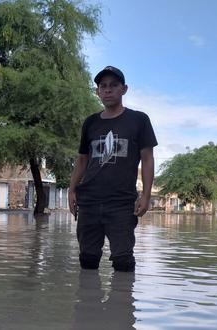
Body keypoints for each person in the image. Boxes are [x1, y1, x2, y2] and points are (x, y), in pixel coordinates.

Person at [68, 66, 157, 272]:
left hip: (121, 203)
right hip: (89, 202)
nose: (108, 90)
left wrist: (146, 195)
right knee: (87, 261)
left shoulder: (139, 120)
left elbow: (147, 158)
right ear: (97, 91)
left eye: (113, 85)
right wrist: (72, 190)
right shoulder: (90, 123)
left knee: (123, 261)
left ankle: (123, 302)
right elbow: (82, 160)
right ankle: (88, 302)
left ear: (124, 89)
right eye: (103, 86)